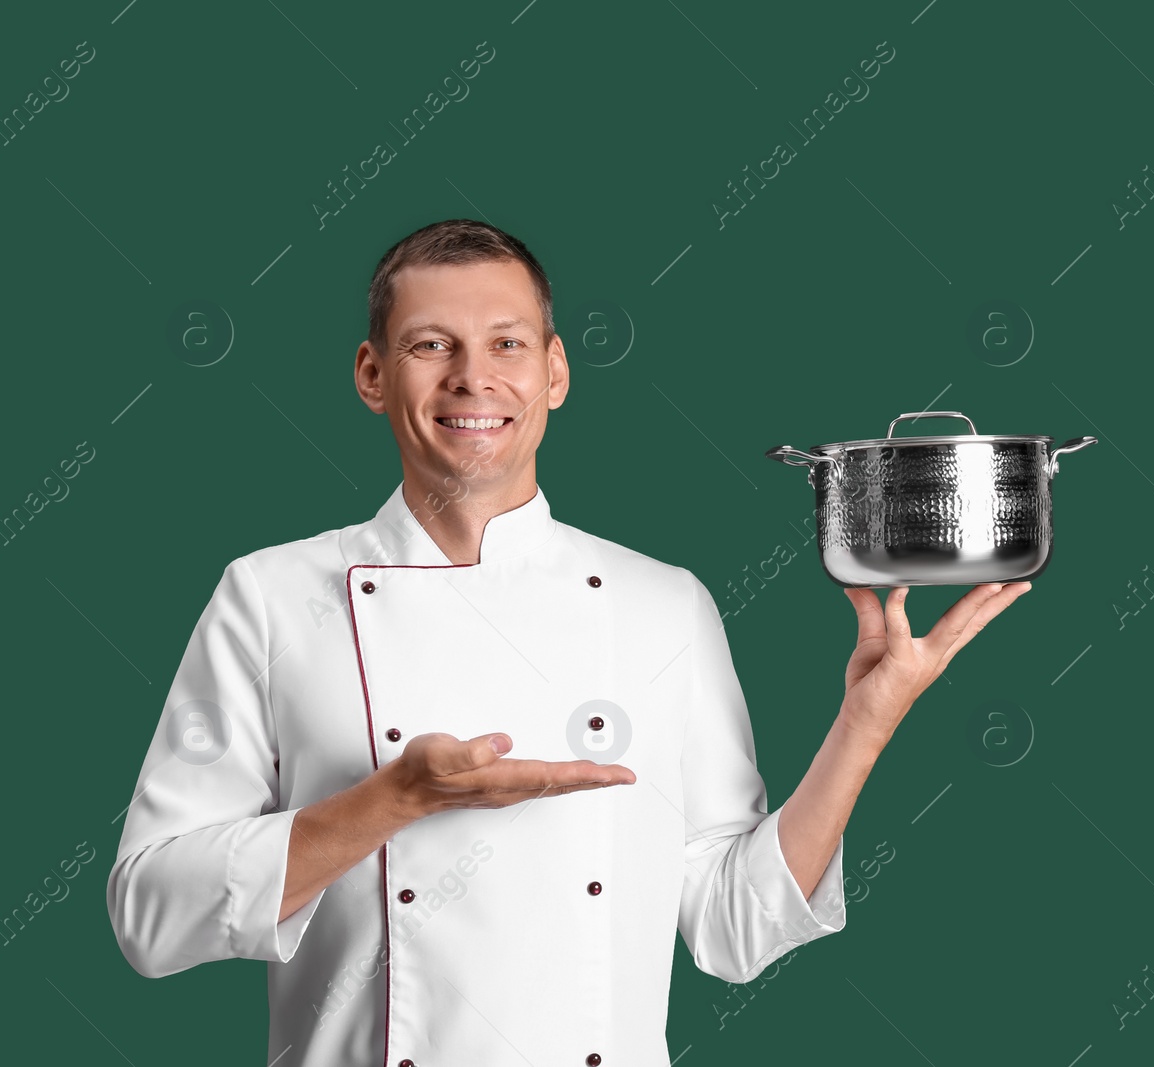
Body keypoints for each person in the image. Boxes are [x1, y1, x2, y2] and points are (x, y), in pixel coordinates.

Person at [106, 218, 1031, 1066]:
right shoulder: (270, 595)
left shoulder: (661, 603)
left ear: (554, 372)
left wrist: (865, 722)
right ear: (372, 374)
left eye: (507, 344)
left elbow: (734, 925)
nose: (474, 378)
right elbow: (150, 915)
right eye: (433, 345)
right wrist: (393, 802)